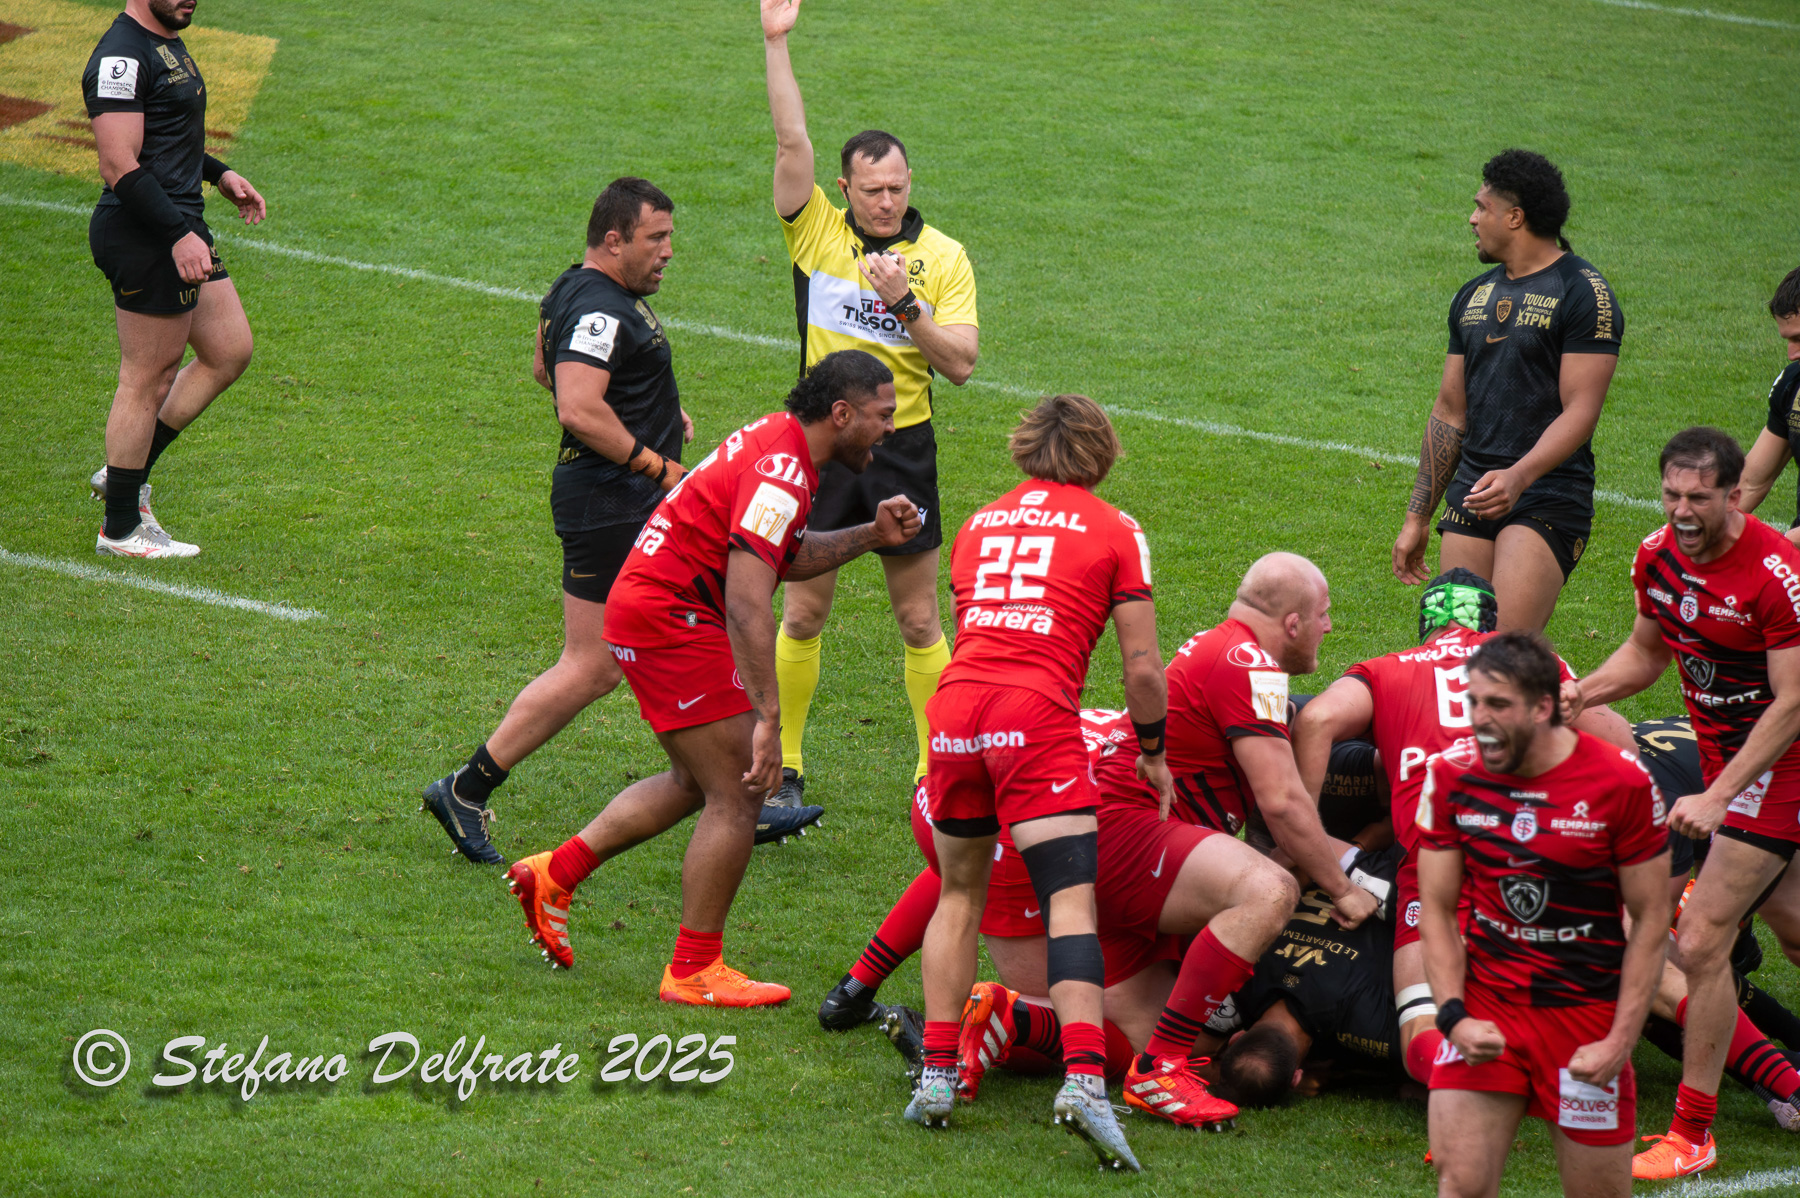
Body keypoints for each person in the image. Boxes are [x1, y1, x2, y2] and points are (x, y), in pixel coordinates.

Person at [502, 351, 919, 1005]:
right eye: (882, 416)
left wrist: (870, 534)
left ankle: (555, 872)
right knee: (740, 791)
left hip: (658, 607)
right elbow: (748, 601)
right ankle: (693, 969)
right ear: (842, 414)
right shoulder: (783, 472)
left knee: (696, 781)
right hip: (671, 618)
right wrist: (771, 722)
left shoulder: (783, 448)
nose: (890, 429)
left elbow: (778, 556)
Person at [416, 178, 713, 862]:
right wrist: (658, 462)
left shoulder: (573, 289)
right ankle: (732, 783)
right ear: (615, 240)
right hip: (616, 501)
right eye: (655, 239)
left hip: (606, 496)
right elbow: (576, 406)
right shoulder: (605, 309)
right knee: (606, 659)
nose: (668, 252)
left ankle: (465, 789)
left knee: (605, 662)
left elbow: (545, 368)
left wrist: (654, 413)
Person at [908, 394, 1165, 1173]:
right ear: (1101, 453)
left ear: (1025, 449)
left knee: (959, 894)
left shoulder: (982, 522)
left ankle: (938, 1072)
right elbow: (1145, 667)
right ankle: (1087, 1080)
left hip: (955, 709)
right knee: (1069, 900)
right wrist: (1153, 749)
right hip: (1035, 715)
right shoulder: (1116, 529)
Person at [1292, 569, 1635, 1089]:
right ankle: (1772, 1083)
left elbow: (1315, 720)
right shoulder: (1525, 662)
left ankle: (1473, 1087)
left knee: (1422, 1029)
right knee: (1657, 974)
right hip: (1532, 848)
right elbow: (1620, 744)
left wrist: (1306, 837)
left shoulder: (1385, 669)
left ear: (1426, 624)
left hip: (1434, 862)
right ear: (1492, 621)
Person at [761, 0, 980, 810]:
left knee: (919, 618)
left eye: (896, 188)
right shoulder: (816, 232)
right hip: (823, 448)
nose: (885, 202)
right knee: (805, 610)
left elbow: (959, 365)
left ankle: (939, 768)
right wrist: (776, 43)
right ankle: (785, 765)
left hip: (902, 449)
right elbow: (791, 143)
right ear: (844, 186)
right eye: (871, 189)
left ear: (909, 183)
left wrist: (907, 308)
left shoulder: (943, 258)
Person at [1564, 427, 1800, 1178]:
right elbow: (1646, 652)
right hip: (1738, 768)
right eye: (1672, 495)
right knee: (1795, 933)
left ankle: (1694, 1132)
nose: (1683, 511)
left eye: (1700, 497)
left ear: (1736, 495)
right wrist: (1579, 695)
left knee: (1698, 940)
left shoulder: (1776, 573)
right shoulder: (1656, 556)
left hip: (1779, 766)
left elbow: (1794, 703)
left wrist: (1719, 793)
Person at [1417, 632, 1669, 1198]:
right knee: (1460, 1185)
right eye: (1473, 702)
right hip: (1488, 1010)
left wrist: (1619, 1041)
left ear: (1544, 707)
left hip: (1584, 1020)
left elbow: (1651, 919)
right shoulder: (1452, 776)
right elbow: (1434, 908)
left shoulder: (1622, 784)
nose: (1480, 719)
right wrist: (1452, 1014)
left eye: (1498, 705)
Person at [1392, 150, 1624, 633]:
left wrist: (1517, 477)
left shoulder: (1583, 292)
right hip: (1474, 492)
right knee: (1449, 653)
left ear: (1515, 217)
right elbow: (1449, 413)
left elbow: (1581, 412)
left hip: (1546, 495)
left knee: (1504, 655)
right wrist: (1418, 517)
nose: (1472, 218)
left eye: (1482, 207)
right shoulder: (1473, 295)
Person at [83, 0, 265, 558]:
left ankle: (123, 475)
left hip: (180, 224)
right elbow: (118, 163)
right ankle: (120, 529)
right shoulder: (121, 55)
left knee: (228, 350)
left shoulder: (166, 40)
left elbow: (167, 134)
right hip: (149, 233)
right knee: (147, 377)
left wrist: (218, 172)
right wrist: (176, 235)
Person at [1729, 267, 1800, 548]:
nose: (1793, 354)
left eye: (1799, 338)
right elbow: (1751, 483)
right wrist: (1699, 534)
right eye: (1789, 340)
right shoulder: (1793, 384)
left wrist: (1781, 548)